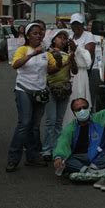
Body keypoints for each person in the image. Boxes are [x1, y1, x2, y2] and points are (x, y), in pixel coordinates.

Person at [53, 73, 105, 183]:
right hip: (79, 158)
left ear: (89, 108)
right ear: (74, 113)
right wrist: (58, 157)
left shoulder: (99, 118)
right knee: (66, 161)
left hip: (98, 157)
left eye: (84, 107)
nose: (82, 111)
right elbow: (63, 142)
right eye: (78, 109)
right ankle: (93, 171)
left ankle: (86, 172)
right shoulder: (70, 127)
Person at [6, 23, 53, 172]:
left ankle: (32, 157)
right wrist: (33, 53)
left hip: (40, 92)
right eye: (34, 33)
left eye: (40, 33)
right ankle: (13, 158)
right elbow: (15, 65)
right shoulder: (23, 50)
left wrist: (61, 60)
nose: (38, 35)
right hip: (24, 90)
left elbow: (52, 69)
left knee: (34, 126)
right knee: (24, 123)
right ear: (27, 36)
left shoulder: (46, 52)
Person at [41, 30, 77, 161]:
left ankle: (56, 148)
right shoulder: (49, 54)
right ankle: (46, 149)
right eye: (59, 37)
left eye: (64, 38)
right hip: (51, 88)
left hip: (64, 88)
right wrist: (67, 62)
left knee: (58, 121)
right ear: (53, 39)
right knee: (51, 121)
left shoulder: (67, 54)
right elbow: (50, 70)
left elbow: (75, 71)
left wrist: (72, 60)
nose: (62, 40)